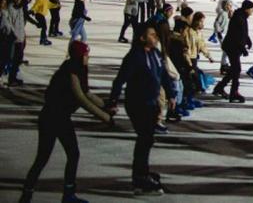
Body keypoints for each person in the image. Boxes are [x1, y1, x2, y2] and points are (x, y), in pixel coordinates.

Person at [19, 41, 114, 203]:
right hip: (51, 118)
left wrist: (106, 105)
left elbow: (87, 93)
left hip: (62, 117)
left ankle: (68, 194)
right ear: (79, 56)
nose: (88, 57)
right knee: (43, 157)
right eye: (86, 54)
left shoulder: (80, 68)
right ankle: (28, 194)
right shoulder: (70, 71)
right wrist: (105, 117)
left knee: (72, 154)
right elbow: (81, 98)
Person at [108, 24, 177, 195]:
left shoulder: (155, 54)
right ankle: (140, 177)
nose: (156, 37)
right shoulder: (134, 57)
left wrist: (171, 94)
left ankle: (142, 174)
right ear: (142, 38)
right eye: (152, 35)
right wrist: (113, 101)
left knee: (146, 140)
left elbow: (163, 76)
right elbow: (120, 80)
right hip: (137, 104)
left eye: (155, 35)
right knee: (145, 139)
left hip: (152, 104)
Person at [213, 0, 253, 103]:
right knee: (237, 69)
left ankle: (220, 87)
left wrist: (248, 41)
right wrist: (243, 49)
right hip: (232, 47)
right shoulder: (239, 17)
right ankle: (234, 92)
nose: (252, 11)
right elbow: (236, 35)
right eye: (251, 9)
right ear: (247, 9)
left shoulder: (241, 16)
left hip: (234, 46)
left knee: (233, 70)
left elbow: (243, 32)